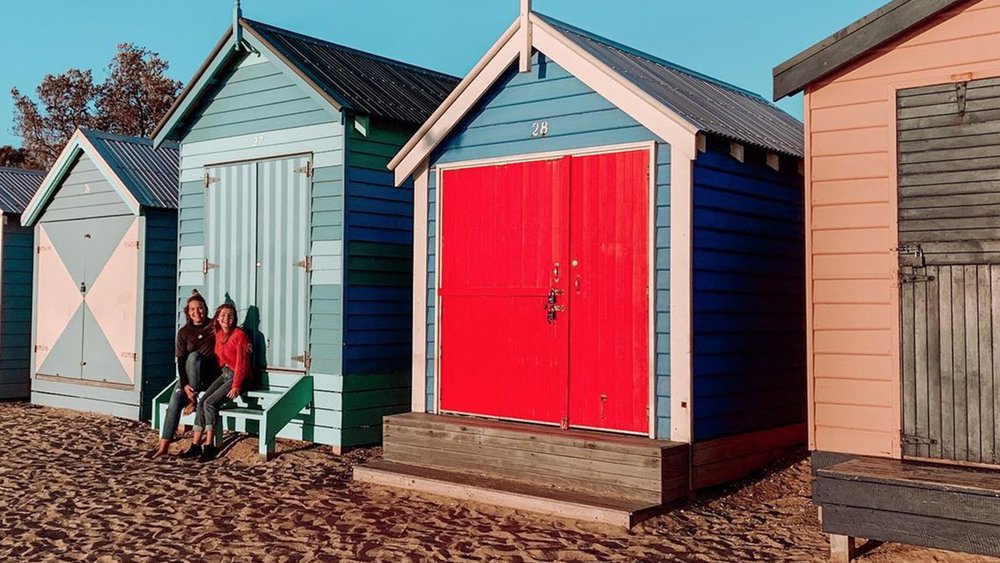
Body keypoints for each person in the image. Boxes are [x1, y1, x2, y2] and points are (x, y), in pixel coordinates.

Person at [147, 290, 218, 459]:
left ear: (205, 309)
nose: (197, 312)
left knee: (194, 357)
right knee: (174, 401)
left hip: (209, 376)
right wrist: (185, 385)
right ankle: (164, 446)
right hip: (190, 381)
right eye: (192, 309)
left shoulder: (213, 327)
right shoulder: (184, 332)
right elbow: (180, 361)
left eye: (200, 308)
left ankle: (192, 400)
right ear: (188, 312)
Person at [183, 301, 251, 463]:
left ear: (234, 318)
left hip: (240, 376)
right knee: (201, 403)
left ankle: (209, 446)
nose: (227, 318)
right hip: (225, 373)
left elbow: (243, 363)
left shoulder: (239, 335)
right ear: (218, 319)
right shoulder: (219, 334)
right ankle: (195, 445)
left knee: (210, 404)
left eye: (230, 315)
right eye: (223, 316)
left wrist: (236, 385)